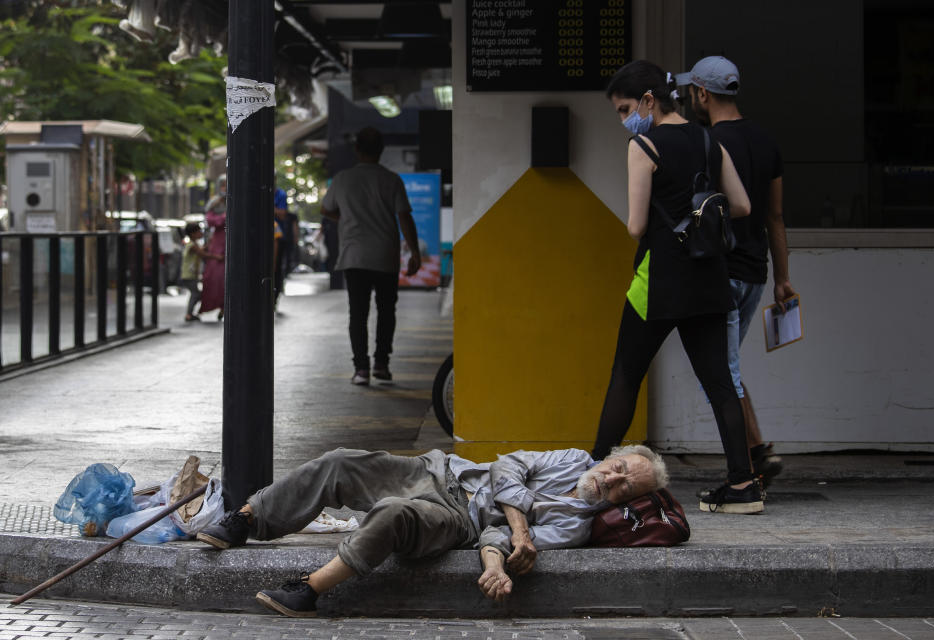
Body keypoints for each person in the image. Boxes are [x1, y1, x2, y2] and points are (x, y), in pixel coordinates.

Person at [196, 444, 668, 617]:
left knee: (394, 513)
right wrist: (521, 524)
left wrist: (497, 561)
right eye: (619, 467)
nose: (612, 481)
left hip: (459, 522)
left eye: (624, 489)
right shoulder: (571, 459)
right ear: (611, 456)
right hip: (443, 473)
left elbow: (495, 536)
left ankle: (308, 590)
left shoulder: (575, 527)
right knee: (340, 462)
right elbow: (508, 466)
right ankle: (247, 518)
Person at [590, 60, 762, 515]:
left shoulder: (643, 144)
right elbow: (741, 204)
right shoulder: (709, 139)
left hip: (659, 280)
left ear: (649, 100)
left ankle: (589, 478)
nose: (625, 118)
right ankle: (743, 486)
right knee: (721, 382)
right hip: (708, 278)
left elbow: (636, 225)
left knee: (626, 377)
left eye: (626, 107)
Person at [677, 56, 796, 485]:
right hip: (755, 274)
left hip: (720, 273)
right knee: (728, 367)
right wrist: (782, 279)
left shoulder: (708, 144)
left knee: (722, 372)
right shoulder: (767, 141)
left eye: (693, 91)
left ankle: (752, 460)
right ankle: (754, 451)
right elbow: (776, 218)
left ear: (702, 94)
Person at [320, 127, 422, 385]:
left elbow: (326, 209)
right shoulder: (391, 179)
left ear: (357, 150)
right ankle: (382, 364)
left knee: (358, 313)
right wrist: (414, 252)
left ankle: (361, 369)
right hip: (385, 254)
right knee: (387, 311)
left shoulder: (342, 179)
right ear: (381, 150)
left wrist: (345, 219)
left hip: (354, 256)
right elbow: (404, 216)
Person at [180, 222, 221, 321]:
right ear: (193, 233)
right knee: (196, 294)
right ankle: (189, 314)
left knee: (196, 293)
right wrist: (217, 257)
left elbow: (202, 250)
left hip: (190, 274)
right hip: (188, 275)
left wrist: (210, 244)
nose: (201, 233)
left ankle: (190, 313)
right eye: (199, 231)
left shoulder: (193, 244)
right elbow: (203, 254)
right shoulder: (192, 245)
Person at [199, 175, 227, 319]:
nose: (225, 188)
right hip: (217, 244)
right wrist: (223, 217)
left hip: (230, 241)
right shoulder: (215, 203)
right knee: (215, 277)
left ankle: (226, 306)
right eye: (223, 185)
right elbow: (210, 220)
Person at [273, 188, 294, 307]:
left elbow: (282, 214)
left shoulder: (281, 194)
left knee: (276, 267)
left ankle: (274, 297)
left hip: (277, 236)